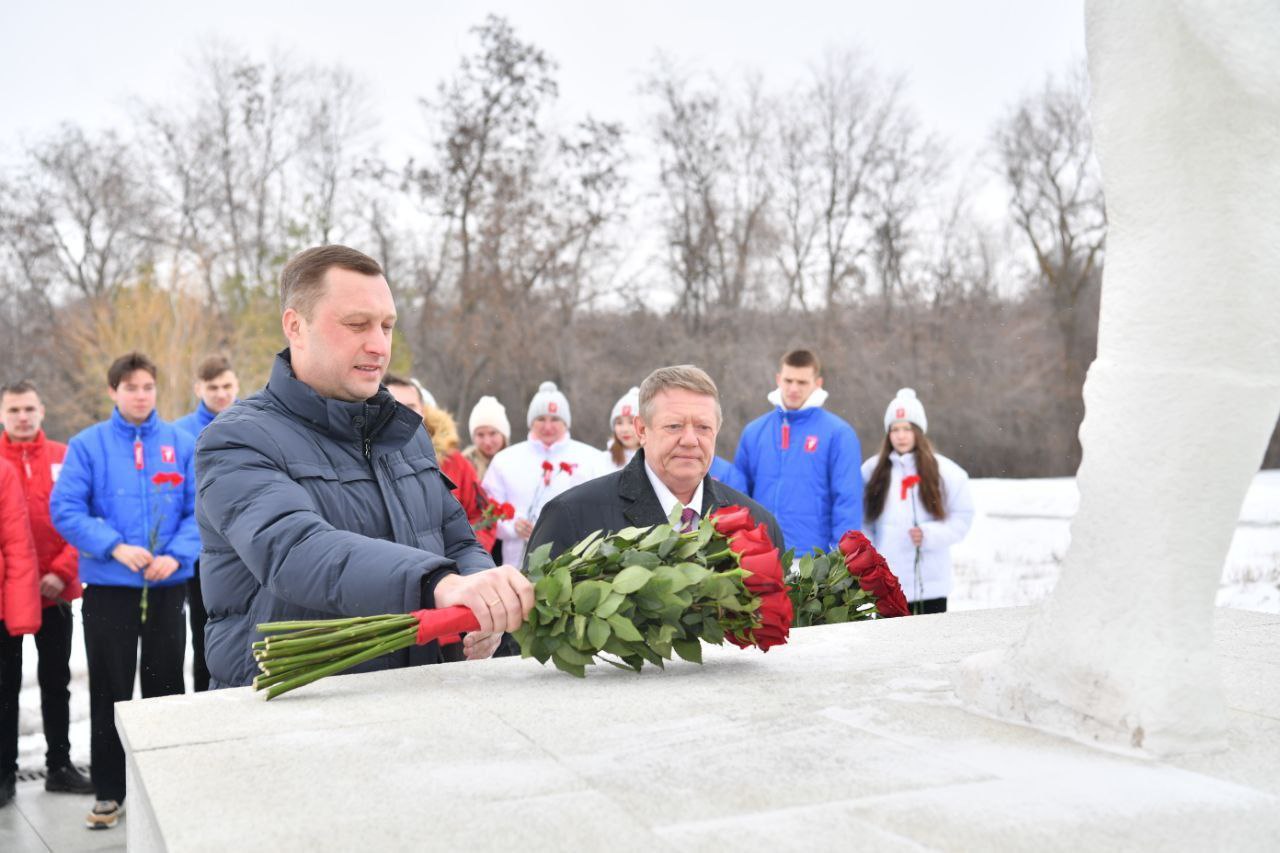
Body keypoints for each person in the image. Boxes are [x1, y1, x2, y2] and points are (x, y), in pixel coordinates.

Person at [196, 245, 532, 691]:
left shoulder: (405, 433)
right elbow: (296, 551)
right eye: (357, 325)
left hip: (413, 695)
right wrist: (438, 584)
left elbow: (456, 536)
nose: (378, 345)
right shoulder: (237, 439)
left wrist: (477, 597)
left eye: (387, 326)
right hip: (297, 702)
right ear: (296, 326)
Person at [51, 352, 199, 830]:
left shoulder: (180, 443)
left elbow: (200, 509)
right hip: (109, 591)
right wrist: (113, 547)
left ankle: (167, 786)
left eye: (148, 387)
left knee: (166, 688)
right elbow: (67, 508)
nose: (141, 395)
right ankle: (110, 792)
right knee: (111, 692)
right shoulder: (88, 445)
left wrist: (176, 554)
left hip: (165, 587)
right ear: (113, 391)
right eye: (131, 387)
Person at [529, 365, 783, 561]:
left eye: (703, 427)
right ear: (641, 429)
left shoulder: (759, 526)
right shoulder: (572, 517)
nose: (690, 440)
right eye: (674, 426)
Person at [0, 381, 93, 798]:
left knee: (56, 682)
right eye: (14, 409)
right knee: (4, 686)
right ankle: (4, 772)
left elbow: (82, 517)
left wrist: (61, 569)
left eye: (28, 409)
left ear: (42, 410)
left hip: (54, 591)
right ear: (3, 414)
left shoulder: (63, 457)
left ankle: (59, 765)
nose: (22, 417)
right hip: (6, 596)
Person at [734, 349, 863, 557]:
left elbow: (847, 500)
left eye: (802, 382)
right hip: (761, 554)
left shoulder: (839, 434)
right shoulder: (754, 432)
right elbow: (738, 495)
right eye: (788, 380)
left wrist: (840, 557)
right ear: (778, 379)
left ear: (817, 383)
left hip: (812, 558)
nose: (794, 388)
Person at [861, 388, 974, 614]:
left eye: (907, 429)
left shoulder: (947, 472)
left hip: (931, 584)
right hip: (888, 583)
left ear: (918, 432)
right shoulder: (871, 471)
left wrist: (930, 534)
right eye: (895, 429)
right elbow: (862, 520)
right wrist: (871, 553)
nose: (901, 436)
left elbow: (962, 517)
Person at [482, 382, 607, 571]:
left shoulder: (592, 458)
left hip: (574, 564)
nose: (548, 426)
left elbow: (603, 511)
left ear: (566, 422)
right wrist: (513, 527)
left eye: (555, 419)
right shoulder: (505, 460)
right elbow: (485, 515)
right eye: (541, 418)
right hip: (517, 567)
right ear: (531, 421)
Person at [173, 355, 241, 693]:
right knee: (206, 636)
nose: (221, 394)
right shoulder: (180, 434)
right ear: (199, 388)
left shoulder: (256, 421)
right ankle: (205, 703)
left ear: (237, 385)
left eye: (227, 386)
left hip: (248, 547)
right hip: (203, 553)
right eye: (212, 387)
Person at [384, 375, 495, 552]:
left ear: (423, 411)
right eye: (395, 405)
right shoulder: (367, 459)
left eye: (411, 407)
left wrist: (467, 559)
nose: (402, 413)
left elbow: (483, 516)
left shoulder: (455, 462)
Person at [0, 445, 41, 808]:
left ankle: (3, 773)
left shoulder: (2, 472)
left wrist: (17, 613)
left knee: (4, 695)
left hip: (0, 612)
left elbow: (16, 544)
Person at [462, 395, 509, 483]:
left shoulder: (516, 461)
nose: (487, 442)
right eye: (480, 435)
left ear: (503, 434)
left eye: (492, 433)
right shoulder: (464, 465)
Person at [602, 386, 641, 472]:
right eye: (619, 423)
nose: (625, 429)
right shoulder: (602, 460)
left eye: (631, 422)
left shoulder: (657, 460)